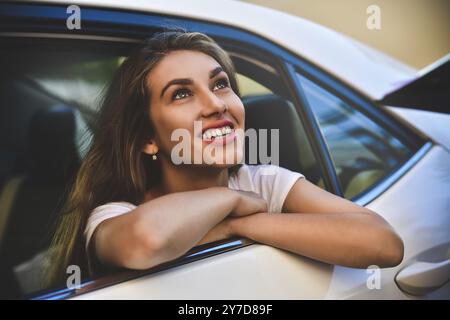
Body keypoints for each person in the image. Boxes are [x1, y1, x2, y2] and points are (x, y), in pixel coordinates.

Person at [46, 29, 404, 287]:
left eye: (219, 84)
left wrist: (236, 225)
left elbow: (383, 243)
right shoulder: (116, 214)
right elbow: (147, 241)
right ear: (148, 139)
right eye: (182, 94)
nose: (217, 104)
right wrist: (229, 201)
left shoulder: (262, 182)